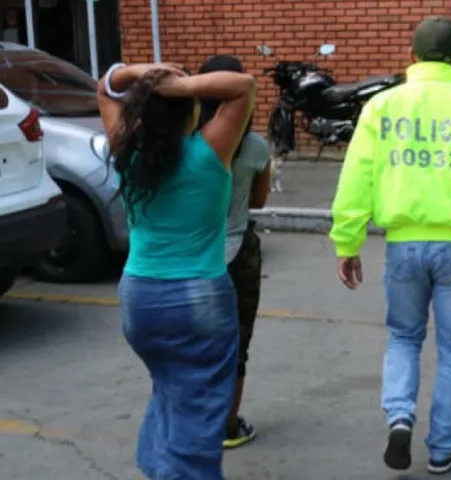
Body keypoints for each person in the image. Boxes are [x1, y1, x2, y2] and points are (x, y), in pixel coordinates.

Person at [328, 16, 451, 476]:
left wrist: (347, 241)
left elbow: (357, 178)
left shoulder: (382, 107)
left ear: (411, 56)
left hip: (403, 246)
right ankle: (442, 448)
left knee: (403, 336)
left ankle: (400, 417)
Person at [98, 62, 256, 479]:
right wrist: (182, 86)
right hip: (199, 300)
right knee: (198, 408)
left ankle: (160, 469)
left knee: (170, 388)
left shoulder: (127, 152)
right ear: (190, 109)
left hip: (140, 300)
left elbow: (105, 89)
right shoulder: (209, 151)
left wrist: (141, 73)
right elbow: (243, 86)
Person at [196, 54, 272, 450]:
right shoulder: (255, 146)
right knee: (236, 344)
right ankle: (227, 426)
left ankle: (193, 419)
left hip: (192, 253)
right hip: (237, 249)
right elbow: (258, 201)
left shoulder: (187, 142)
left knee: (194, 342)